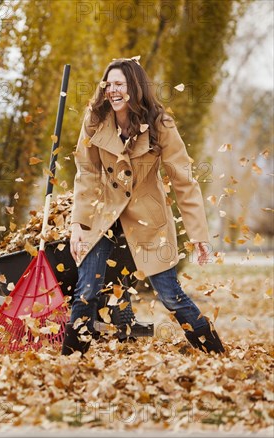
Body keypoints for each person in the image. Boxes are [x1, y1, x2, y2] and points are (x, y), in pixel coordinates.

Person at [62, 57, 225, 356]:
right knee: (86, 292)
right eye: (108, 84)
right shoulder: (95, 119)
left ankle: (214, 352)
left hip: (148, 217)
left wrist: (198, 234)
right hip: (104, 215)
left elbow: (183, 180)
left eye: (119, 84)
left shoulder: (160, 123)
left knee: (171, 296)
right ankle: (70, 361)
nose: (112, 90)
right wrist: (78, 225)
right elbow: (85, 173)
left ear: (134, 88)